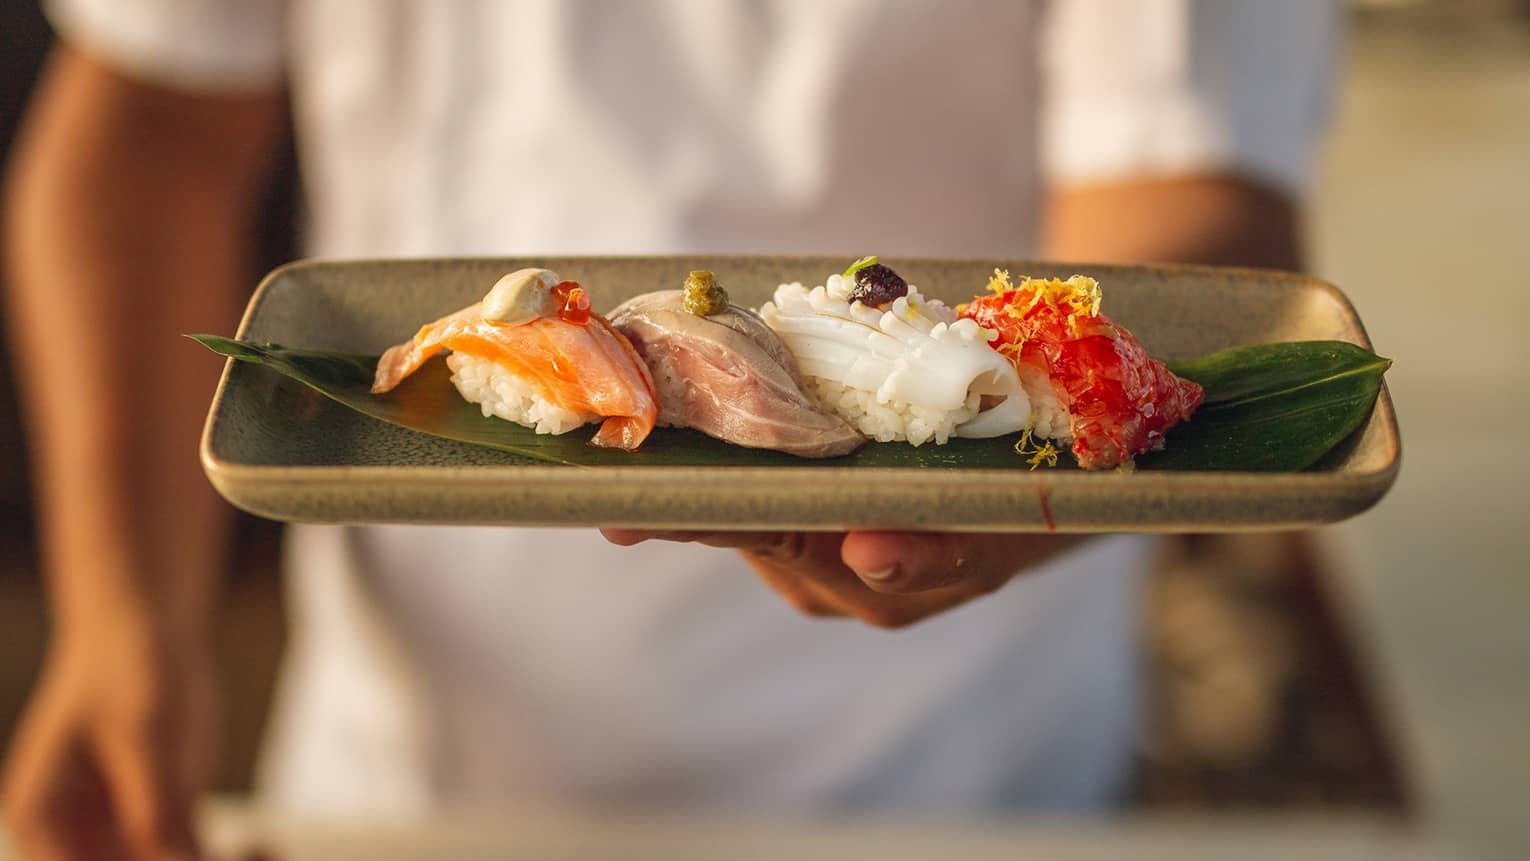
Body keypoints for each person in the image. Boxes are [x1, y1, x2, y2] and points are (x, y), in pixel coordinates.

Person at [1, 1, 1338, 858]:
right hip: (405, 770)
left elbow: (1193, 208)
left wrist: (1017, 461)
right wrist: (122, 621)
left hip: (952, 776)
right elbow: (150, 125)